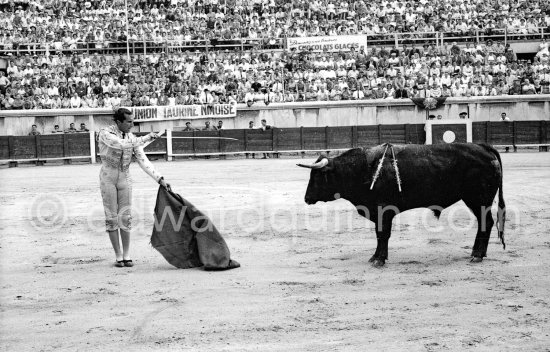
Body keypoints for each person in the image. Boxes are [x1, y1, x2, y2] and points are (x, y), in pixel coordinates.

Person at [97, 108, 170, 268]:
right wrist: (146, 138)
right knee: (112, 218)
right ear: (118, 122)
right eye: (129, 122)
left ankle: (126, 255)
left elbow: (143, 160)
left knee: (125, 217)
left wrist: (159, 178)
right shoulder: (104, 133)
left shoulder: (132, 138)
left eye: (132, 121)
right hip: (108, 179)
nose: (132, 124)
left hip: (125, 178)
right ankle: (118, 256)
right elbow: (119, 144)